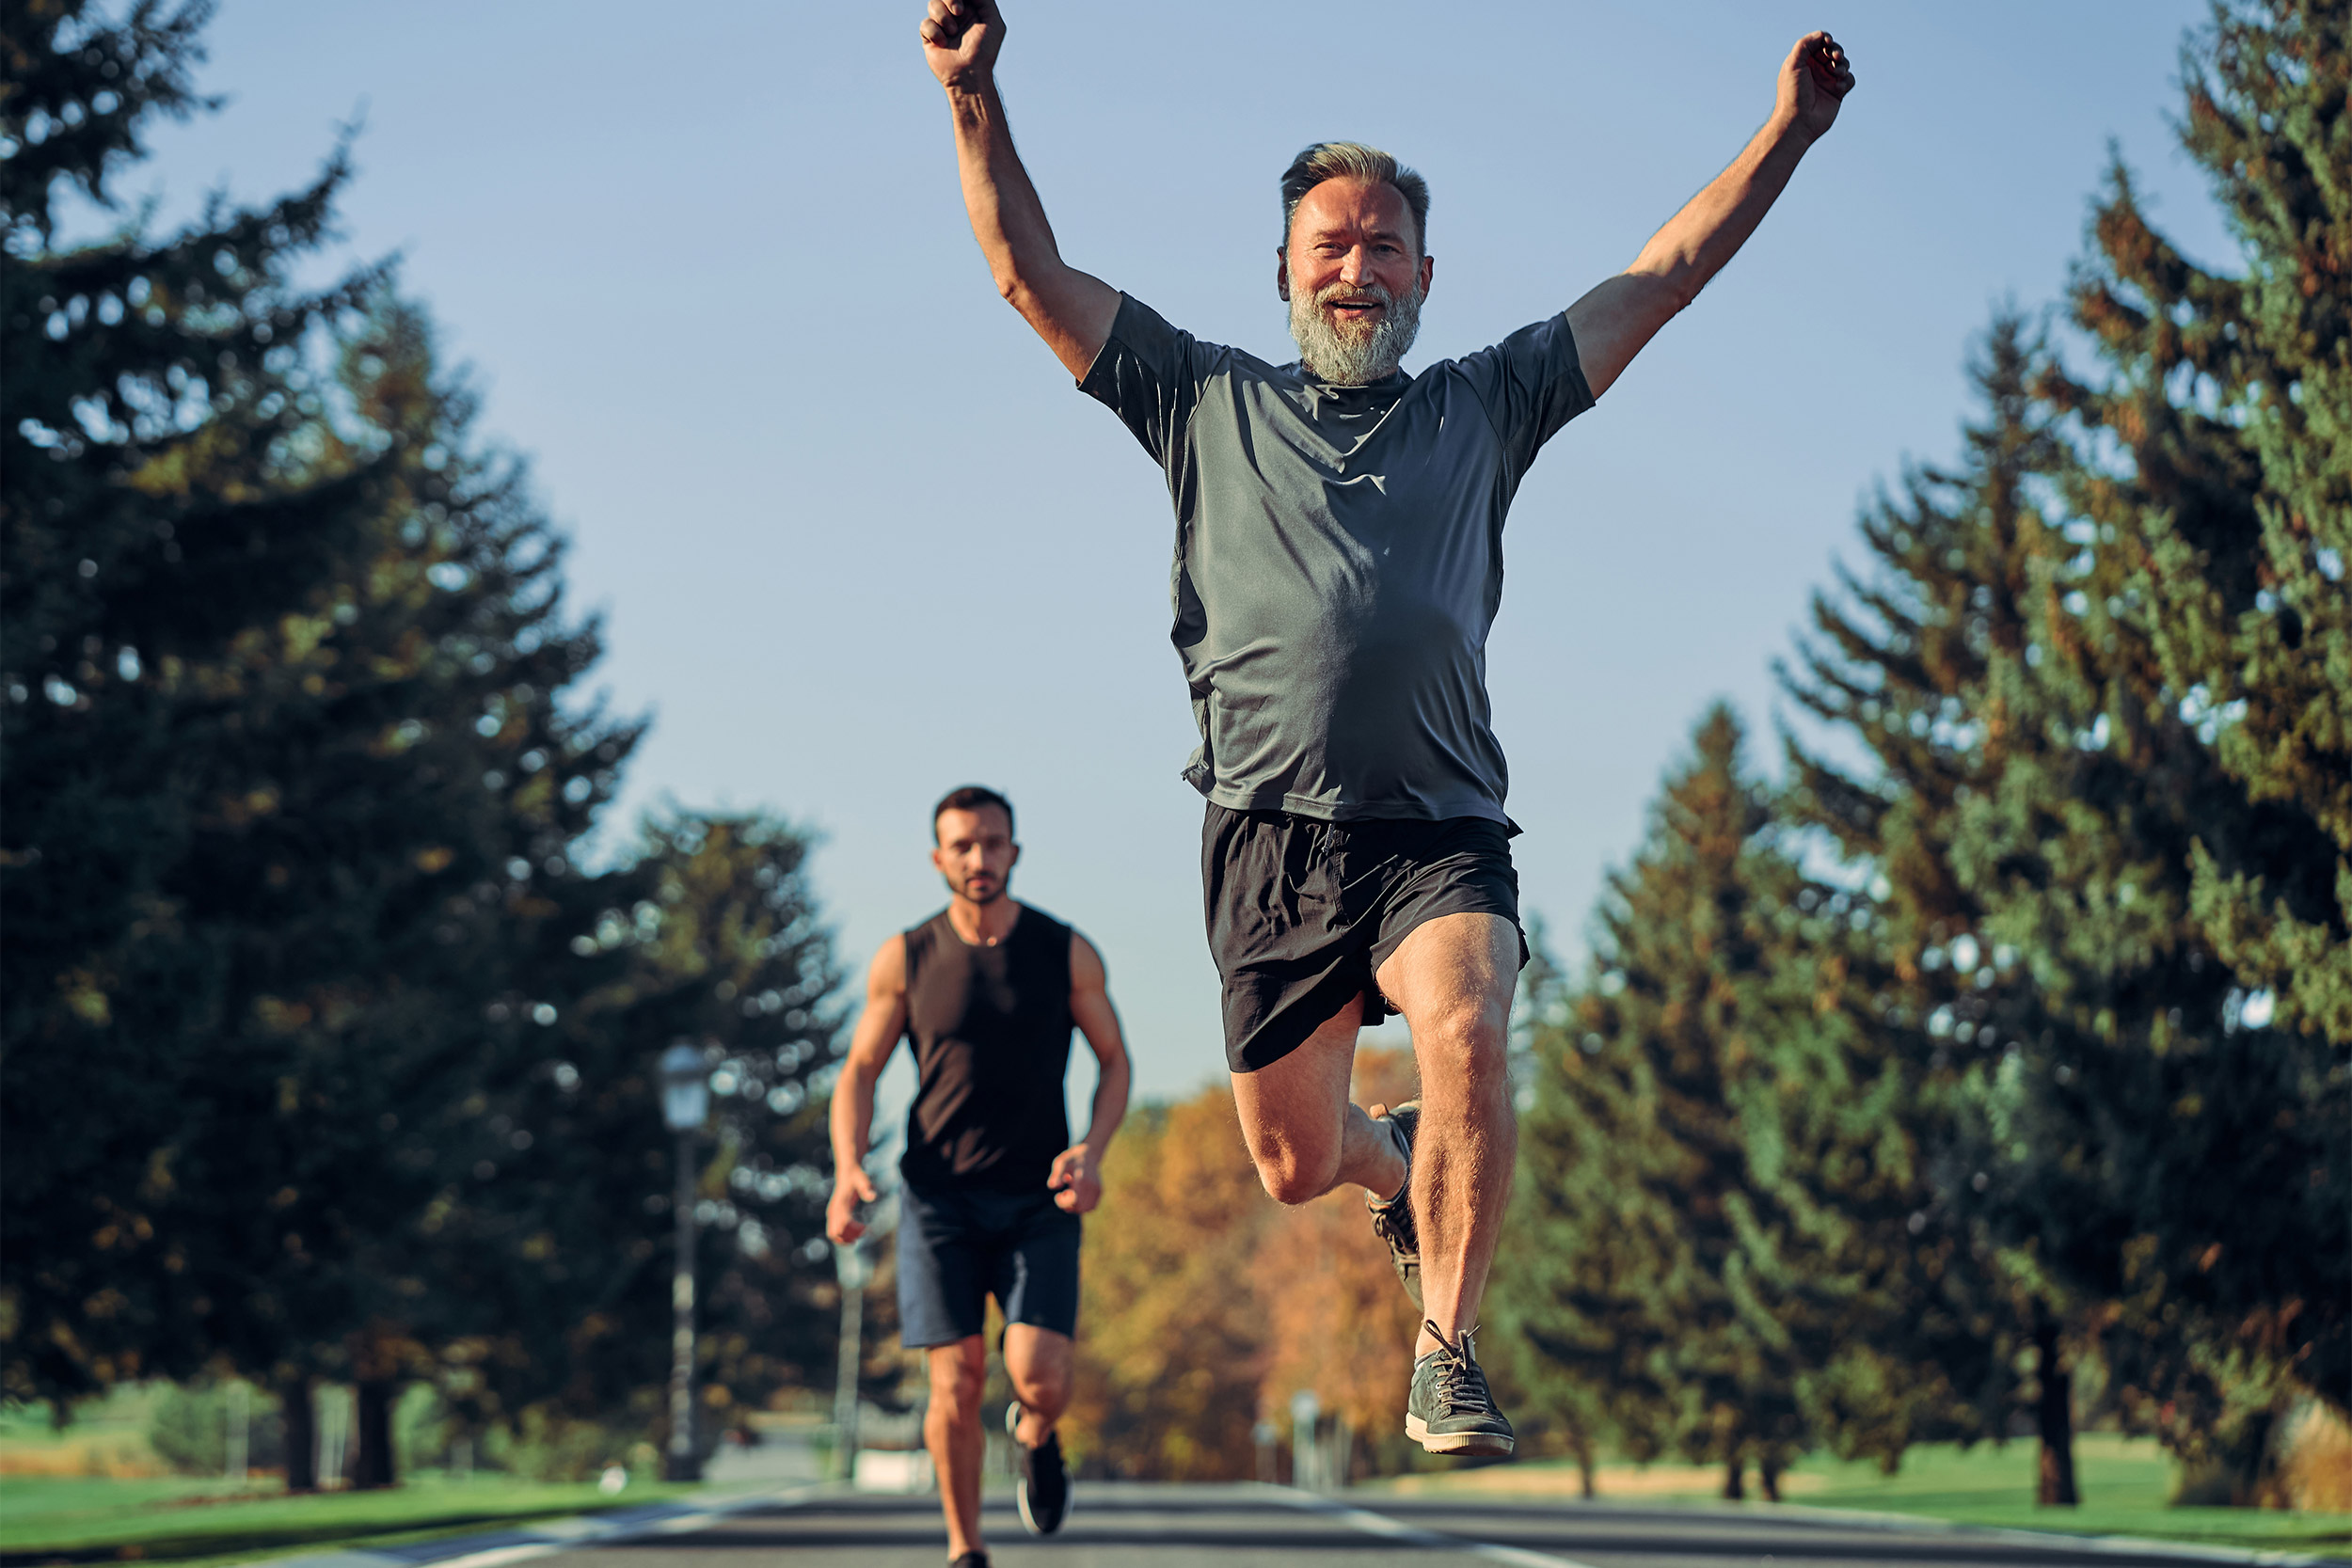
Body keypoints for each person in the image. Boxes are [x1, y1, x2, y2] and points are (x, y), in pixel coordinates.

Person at [915, 0, 1854, 1459]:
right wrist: (973, 96)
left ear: (1427, 272)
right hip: (1266, 835)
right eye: (1331, 246)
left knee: (1473, 1023)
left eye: (1385, 247)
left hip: (1441, 825)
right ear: (1287, 269)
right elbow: (1024, 274)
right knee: (1295, 1160)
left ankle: (1447, 1349)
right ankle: (1390, 1157)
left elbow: (1662, 277)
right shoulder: (1199, 395)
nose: (1358, 269)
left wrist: (1787, 132)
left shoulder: (1493, 399)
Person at [828, 785, 1130, 1568]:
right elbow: (860, 1069)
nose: (978, 858)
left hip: (1040, 1196)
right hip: (938, 1199)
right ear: (939, 858)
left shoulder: (1064, 950)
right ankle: (966, 1549)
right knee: (956, 1378)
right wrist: (845, 1168)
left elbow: (1114, 1059)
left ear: (1014, 852)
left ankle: (1035, 1431)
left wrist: (1093, 1149)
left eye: (992, 843)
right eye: (962, 845)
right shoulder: (907, 956)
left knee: (1040, 1373)